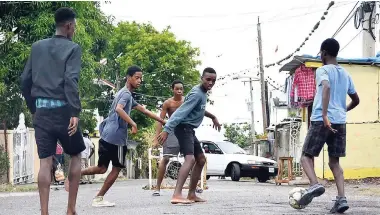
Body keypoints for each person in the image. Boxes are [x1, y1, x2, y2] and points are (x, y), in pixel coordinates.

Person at [67, 65, 166, 207]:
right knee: (117, 168)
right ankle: (99, 198)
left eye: (141, 79)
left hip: (107, 135)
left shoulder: (125, 94)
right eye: (137, 78)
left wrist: (162, 121)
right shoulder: (126, 94)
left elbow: (144, 110)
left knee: (101, 167)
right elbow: (119, 109)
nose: (139, 81)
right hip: (117, 138)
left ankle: (75, 173)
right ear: (128, 77)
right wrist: (133, 123)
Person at [20, 7, 83, 215]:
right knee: (75, 155)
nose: (74, 30)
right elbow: (70, 81)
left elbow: (25, 81)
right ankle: (70, 209)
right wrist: (74, 111)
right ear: (68, 26)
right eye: (74, 26)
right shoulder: (73, 48)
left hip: (42, 114)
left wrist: (33, 108)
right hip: (64, 112)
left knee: (45, 161)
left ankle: (44, 212)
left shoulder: (37, 47)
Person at [298, 38, 360, 213]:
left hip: (321, 120)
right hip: (340, 122)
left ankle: (314, 185)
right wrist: (342, 110)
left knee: (306, 156)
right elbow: (356, 100)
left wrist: (325, 115)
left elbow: (326, 87)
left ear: (324, 52)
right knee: (335, 162)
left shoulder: (323, 70)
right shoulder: (346, 74)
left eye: (320, 53)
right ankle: (341, 199)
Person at [157, 67, 221, 204]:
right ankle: (177, 194)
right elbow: (181, 112)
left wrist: (213, 117)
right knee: (190, 159)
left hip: (189, 129)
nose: (210, 83)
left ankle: (191, 194)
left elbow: (199, 109)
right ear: (202, 78)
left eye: (213, 81)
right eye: (208, 79)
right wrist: (166, 129)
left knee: (201, 159)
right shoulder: (197, 93)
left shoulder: (202, 94)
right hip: (183, 128)